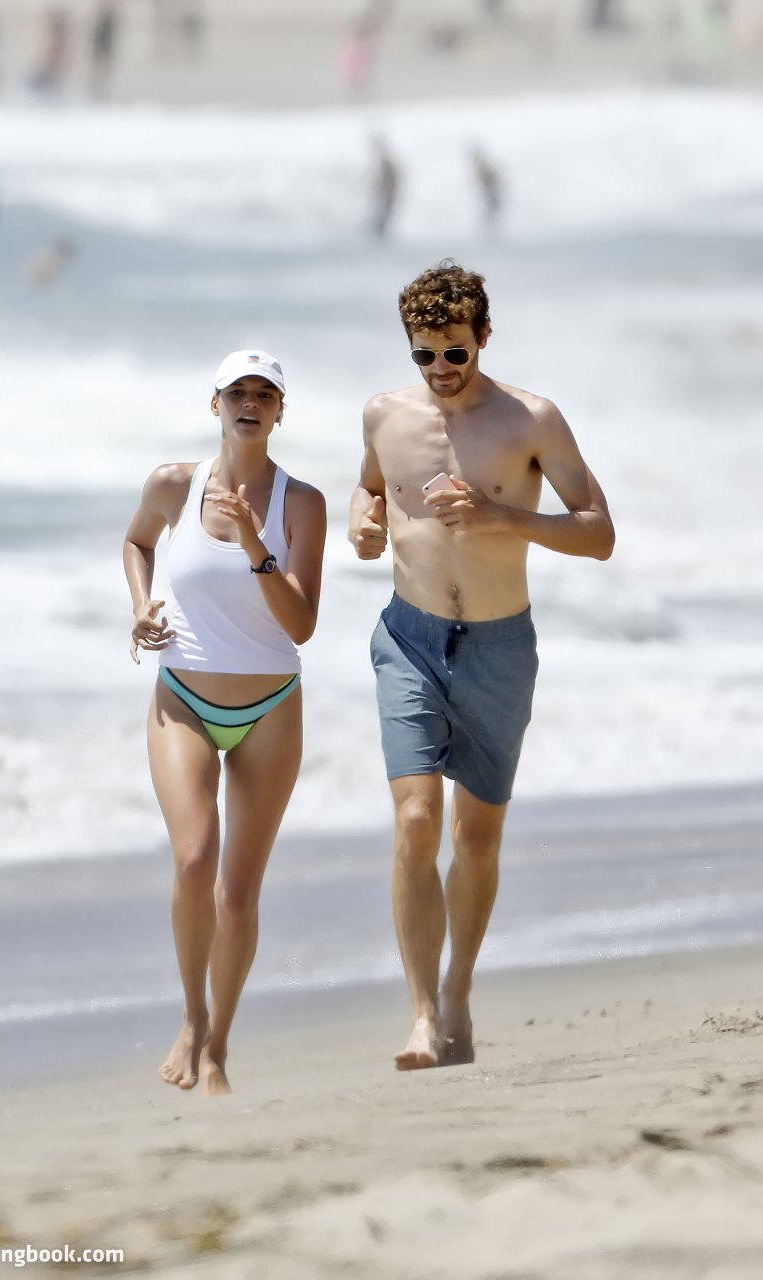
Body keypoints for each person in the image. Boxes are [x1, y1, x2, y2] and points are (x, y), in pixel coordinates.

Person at [349, 261, 614, 1071]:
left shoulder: (531, 419)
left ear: (484, 337)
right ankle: (421, 1015)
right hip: (408, 637)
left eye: (455, 353)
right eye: (423, 354)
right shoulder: (383, 415)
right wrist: (362, 524)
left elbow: (597, 533)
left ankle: (458, 987)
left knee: (476, 838)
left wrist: (501, 514)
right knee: (415, 820)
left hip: (498, 645)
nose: (440, 369)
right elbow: (368, 491)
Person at [123, 350, 327, 1096]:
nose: (250, 403)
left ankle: (217, 1047)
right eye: (237, 391)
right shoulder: (173, 484)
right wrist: (141, 605)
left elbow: (301, 624)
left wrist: (254, 545)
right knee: (192, 860)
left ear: (279, 412)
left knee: (237, 894)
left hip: (270, 709)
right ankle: (190, 1017)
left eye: (264, 394)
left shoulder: (301, 503)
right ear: (215, 404)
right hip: (182, 696)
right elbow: (137, 541)